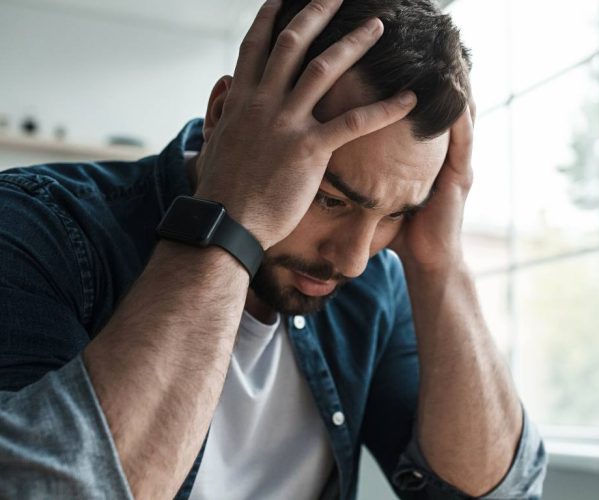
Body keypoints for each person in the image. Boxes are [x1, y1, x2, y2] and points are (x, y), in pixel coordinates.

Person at [0, 0, 547, 498]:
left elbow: (495, 494)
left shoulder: (377, 281)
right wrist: (232, 216)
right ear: (223, 118)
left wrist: (439, 262)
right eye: (330, 198)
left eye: (395, 214)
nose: (355, 259)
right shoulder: (36, 226)